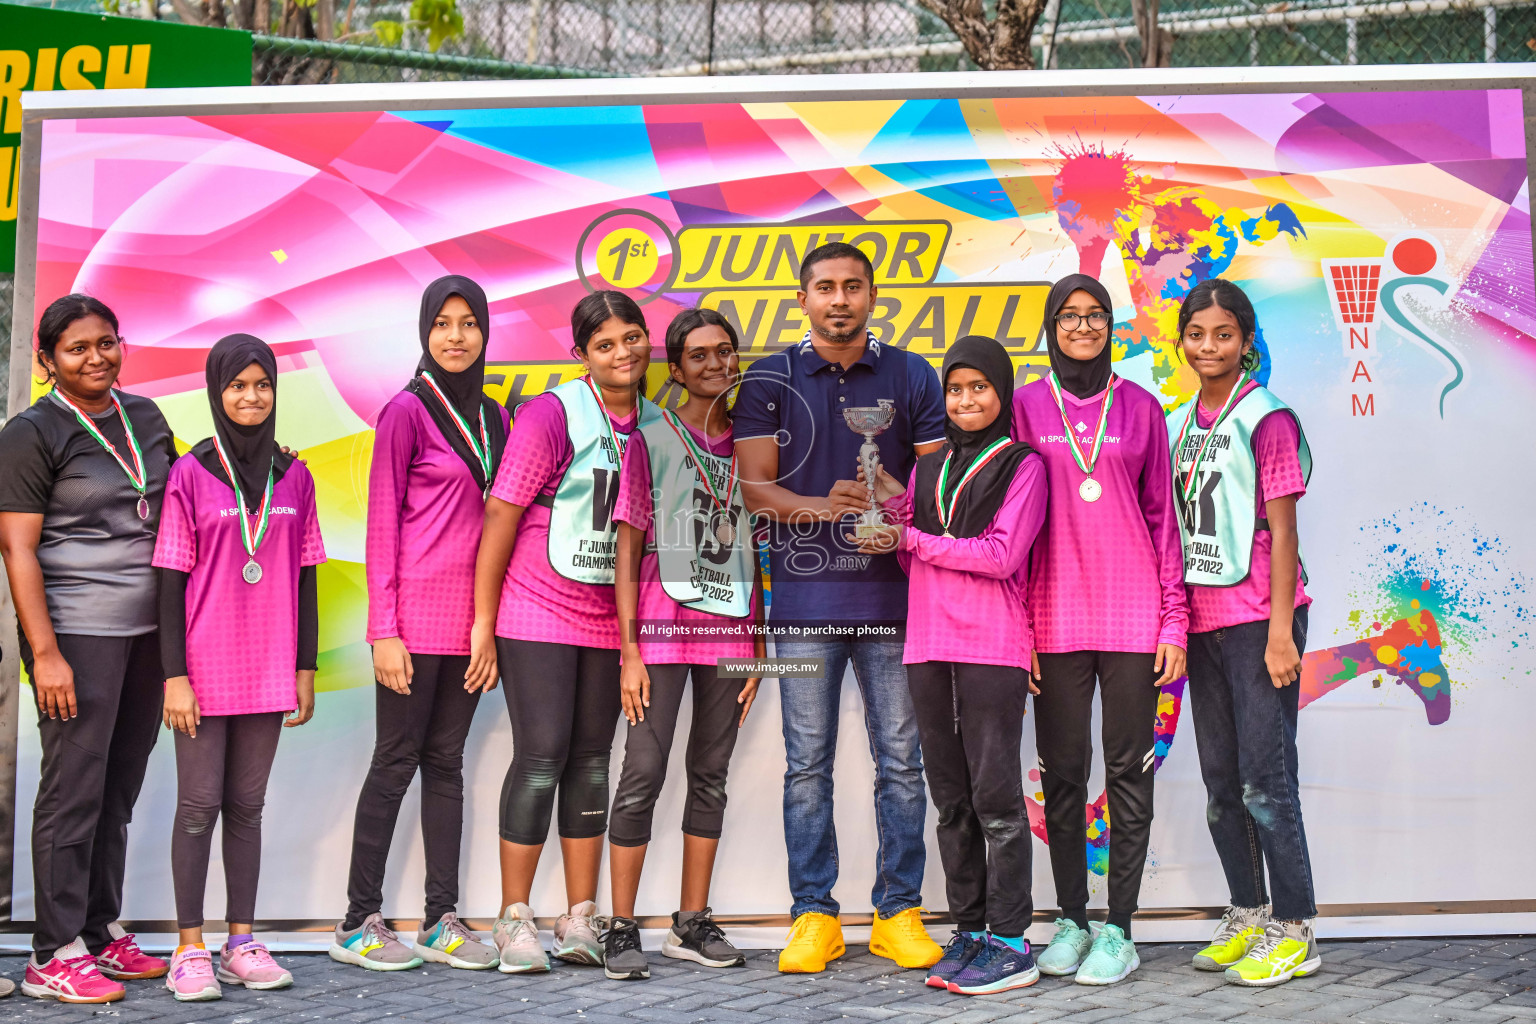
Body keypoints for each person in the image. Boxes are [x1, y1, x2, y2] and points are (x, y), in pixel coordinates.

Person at [734, 241, 948, 975]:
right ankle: (814, 916)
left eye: (853, 286)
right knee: (806, 768)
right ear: (803, 298)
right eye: (825, 287)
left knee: (900, 763)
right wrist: (827, 510)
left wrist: (898, 495)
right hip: (804, 605)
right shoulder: (769, 376)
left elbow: (941, 488)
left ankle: (899, 912)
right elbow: (754, 489)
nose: (839, 300)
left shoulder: (912, 374)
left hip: (895, 602)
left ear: (873, 294)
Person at [852, 335, 1048, 996]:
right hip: (929, 644)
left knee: (996, 798)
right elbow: (912, 551)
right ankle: (969, 930)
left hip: (992, 644)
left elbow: (1000, 555)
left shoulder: (1023, 465)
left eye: (978, 388)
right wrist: (888, 525)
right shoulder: (928, 468)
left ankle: (1012, 940)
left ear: (1002, 392)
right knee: (951, 800)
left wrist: (909, 538)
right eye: (955, 389)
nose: (966, 400)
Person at [1012, 274, 1188, 986]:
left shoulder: (1142, 406)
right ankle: (1071, 921)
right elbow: (1012, 519)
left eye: (1095, 316)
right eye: (1069, 316)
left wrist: (1173, 617)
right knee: (1061, 776)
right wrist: (1017, 625)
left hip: (1131, 616)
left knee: (1126, 776)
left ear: (1110, 325)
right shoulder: (1024, 405)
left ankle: (1120, 928)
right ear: (1051, 325)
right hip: (1051, 617)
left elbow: (1162, 519)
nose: (1083, 327)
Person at [0, 295, 175, 1004]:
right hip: (76, 635)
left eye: (107, 342)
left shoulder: (147, 419)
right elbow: (16, 546)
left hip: (149, 637)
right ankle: (54, 951)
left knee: (117, 792)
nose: (97, 357)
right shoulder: (31, 432)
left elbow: (183, 495)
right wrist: (44, 653)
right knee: (72, 792)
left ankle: (99, 932)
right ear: (47, 360)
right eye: (77, 348)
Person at [331, 276, 509, 973]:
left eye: (469, 323)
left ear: (485, 333)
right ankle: (356, 923)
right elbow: (382, 523)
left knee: (446, 766)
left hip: (469, 631)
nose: (456, 336)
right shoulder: (404, 411)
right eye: (443, 323)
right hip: (410, 626)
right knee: (394, 763)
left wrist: (487, 628)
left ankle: (442, 919)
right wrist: (384, 629)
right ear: (425, 332)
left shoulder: (496, 419)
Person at [472, 290, 650, 973]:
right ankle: (514, 917)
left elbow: (641, 542)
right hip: (536, 608)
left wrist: (637, 641)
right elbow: (500, 516)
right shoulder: (553, 413)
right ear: (581, 355)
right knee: (541, 754)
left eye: (631, 338)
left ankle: (580, 918)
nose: (622, 353)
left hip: (608, 619)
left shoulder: (655, 424)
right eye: (604, 344)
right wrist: (484, 624)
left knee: (592, 760)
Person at [153, 334, 324, 1001]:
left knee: (247, 807)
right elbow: (169, 581)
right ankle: (189, 946)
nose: (251, 397)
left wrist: (305, 668)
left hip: (270, 666)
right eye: (237, 386)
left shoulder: (297, 475)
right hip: (202, 667)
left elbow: (307, 576)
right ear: (216, 392)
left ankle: (241, 941)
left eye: (262, 384)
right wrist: (174, 676)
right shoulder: (190, 475)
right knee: (198, 806)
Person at [603, 308, 765, 981]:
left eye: (724, 352)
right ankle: (620, 925)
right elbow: (628, 541)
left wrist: (758, 641)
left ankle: (691, 922)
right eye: (698, 355)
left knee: (711, 775)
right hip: (662, 629)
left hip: (730, 631)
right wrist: (628, 650)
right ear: (677, 368)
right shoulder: (649, 436)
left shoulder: (755, 447)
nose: (714, 364)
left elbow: (760, 547)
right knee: (642, 772)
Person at [1166, 279, 1319, 987]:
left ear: (1246, 341)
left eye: (1223, 334)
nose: (1208, 345)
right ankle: (1248, 910)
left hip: (1262, 617)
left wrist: (1282, 630)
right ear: (1182, 340)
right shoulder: (1179, 421)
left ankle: (1294, 928)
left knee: (1267, 782)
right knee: (1222, 784)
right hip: (1203, 622)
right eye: (1197, 333)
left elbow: (1283, 529)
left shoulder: (1267, 417)